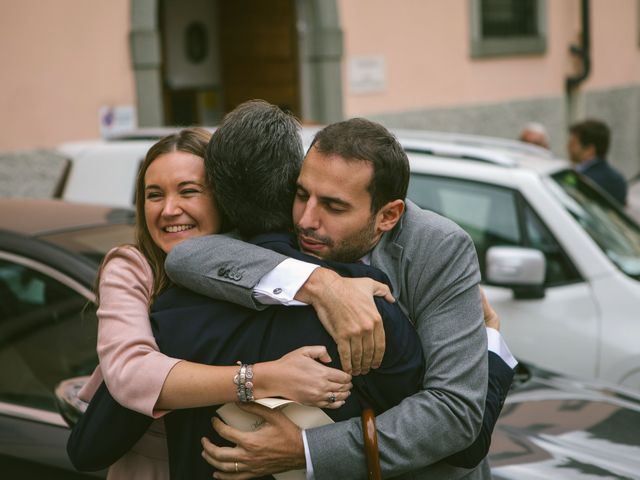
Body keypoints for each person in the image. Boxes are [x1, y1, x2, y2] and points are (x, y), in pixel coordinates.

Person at [167, 112, 518, 479]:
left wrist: (305, 450)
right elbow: (187, 257)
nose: (305, 219)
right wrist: (323, 285)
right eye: (302, 194)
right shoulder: (299, 218)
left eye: (334, 207)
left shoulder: (440, 247)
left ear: (388, 215)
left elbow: (453, 413)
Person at [71, 128, 352, 479]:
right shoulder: (132, 266)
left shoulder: (262, 263)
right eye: (153, 195)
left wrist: (338, 289)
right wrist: (264, 378)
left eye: (188, 191)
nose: (169, 209)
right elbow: (131, 374)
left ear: (223, 197)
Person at [568, 119, 628, 205]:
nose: (568, 147)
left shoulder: (582, 180)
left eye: (573, 143)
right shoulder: (619, 179)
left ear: (589, 150)